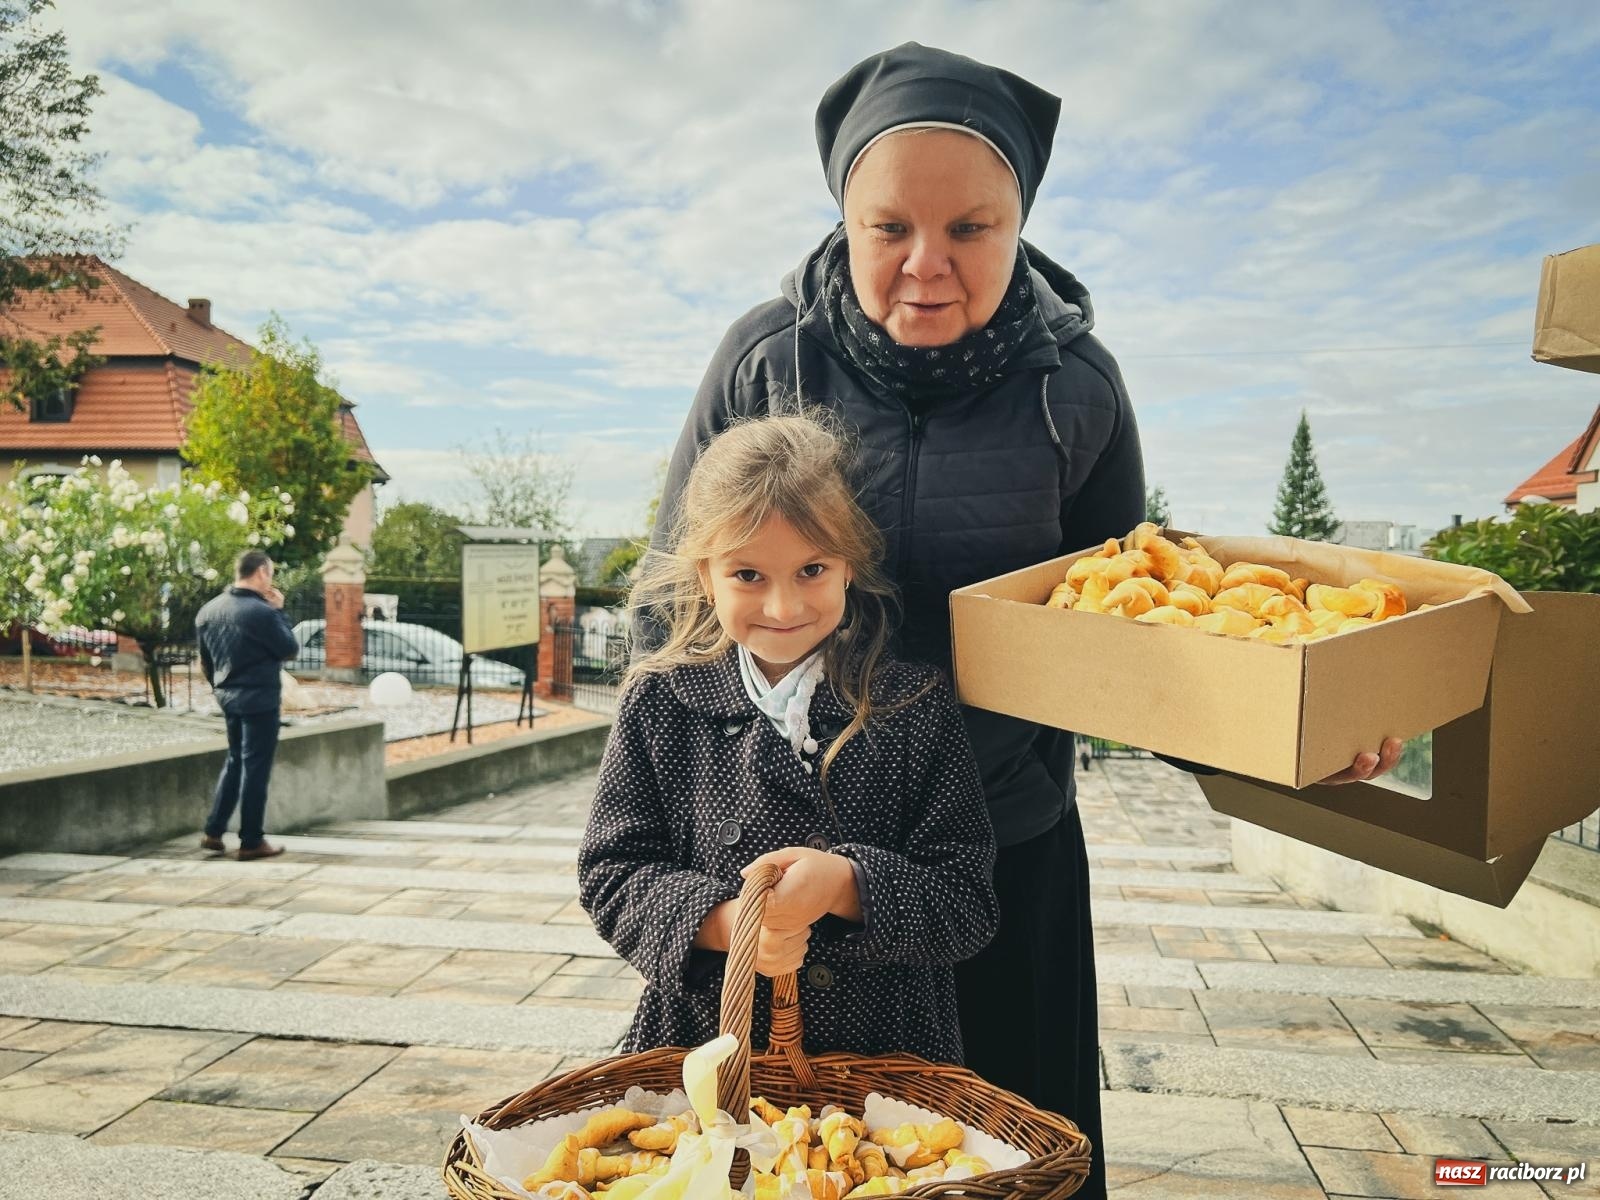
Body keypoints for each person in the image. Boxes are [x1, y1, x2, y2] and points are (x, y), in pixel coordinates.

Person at [652, 43, 1402, 1196]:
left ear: (1020, 226)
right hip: (780, 864)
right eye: (889, 227)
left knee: (1006, 1161)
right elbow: (682, 593)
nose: (925, 266)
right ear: (843, 219)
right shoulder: (767, 359)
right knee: (778, 1162)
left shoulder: (1076, 389)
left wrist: (1292, 740)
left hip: (996, 857)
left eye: (971, 230)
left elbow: (1138, 640)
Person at [580, 414, 999, 1064]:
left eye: (811, 570)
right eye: (748, 575)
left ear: (849, 568)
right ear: (704, 576)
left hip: (884, 1060)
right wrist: (728, 928)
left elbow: (967, 900)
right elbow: (613, 873)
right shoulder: (661, 701)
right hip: (706, 1047)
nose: (782, 607)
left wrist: (847, 885)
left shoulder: (912, 704)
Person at [195, 549, 300, 861]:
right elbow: (289, 648)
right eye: (270, 573)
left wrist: (219, 688)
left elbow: (205, 661)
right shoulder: (262, 613)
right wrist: (280, 610)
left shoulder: (208, 611)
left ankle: (214, 831)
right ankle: (251, 840)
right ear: (261, 573)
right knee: (255, 768)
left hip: (228, 697)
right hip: (260, 699)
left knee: (235, 761)